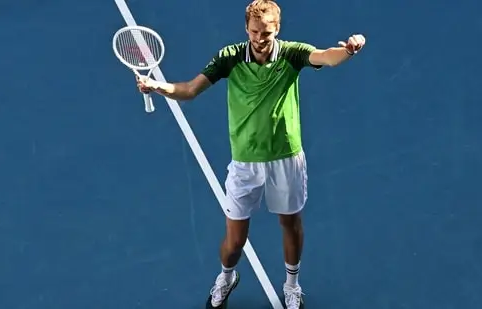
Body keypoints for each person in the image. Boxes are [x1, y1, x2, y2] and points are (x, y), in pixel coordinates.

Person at [136, 1, 366, 308]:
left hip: (287, 158)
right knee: (234, 241)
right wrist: (157, 86)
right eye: (255, 31)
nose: (260, 38)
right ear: (247, 28)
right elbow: (190, 90)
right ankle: (227, 277)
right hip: (245, 163)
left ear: (277, 29)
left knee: (290, 223)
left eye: (267, 32)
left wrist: (349, 50)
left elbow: (326, 57)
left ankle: (292, 285)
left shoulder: (291, 53)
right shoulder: (229, 58)